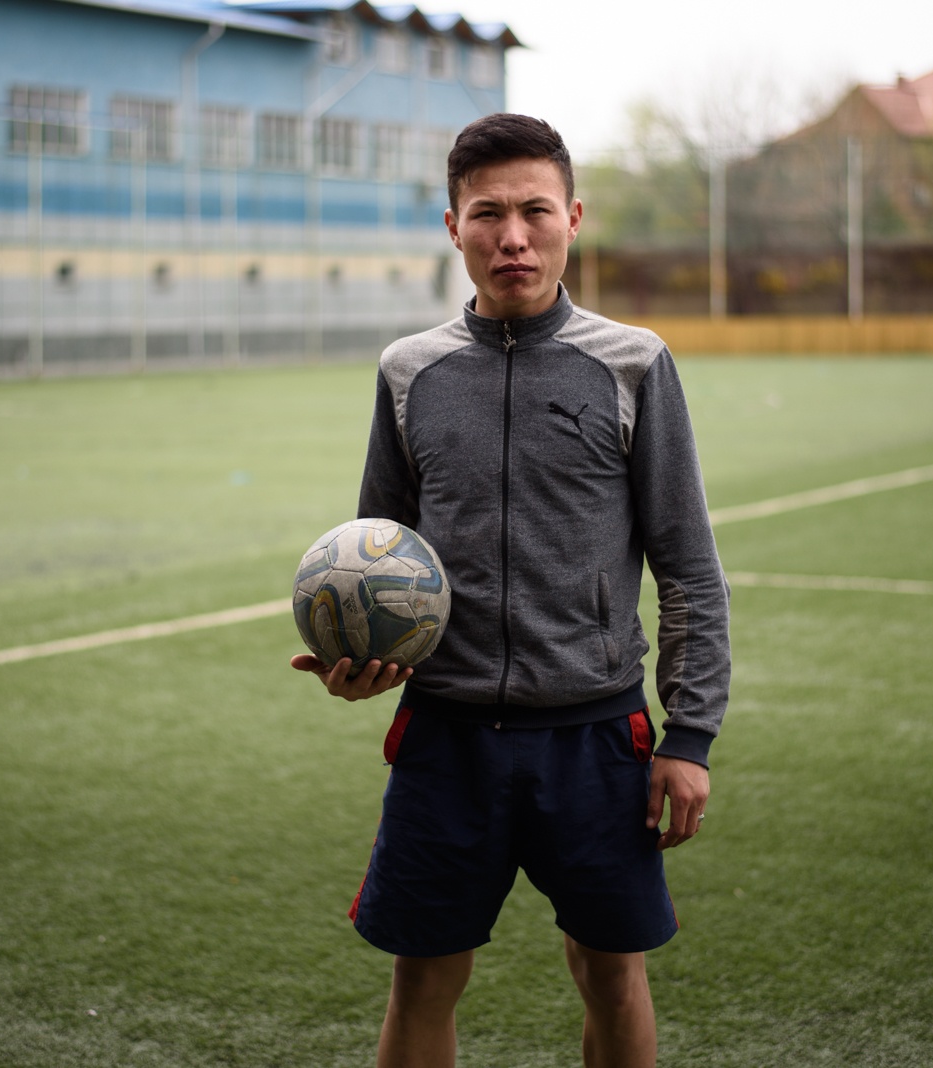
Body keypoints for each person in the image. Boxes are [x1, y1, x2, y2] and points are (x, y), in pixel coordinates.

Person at [291, 112, 730, 1068]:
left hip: (596, 737)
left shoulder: (635, 363)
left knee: (609, 971)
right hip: (446, 739)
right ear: (453, 227)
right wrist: (358, 660)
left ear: (573, 217)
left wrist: (688, 736)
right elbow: (379, 554)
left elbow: (688, 564)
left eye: (535, 210)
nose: (513, 236)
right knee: (423, 979)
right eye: (487, 213)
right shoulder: (408, 371)